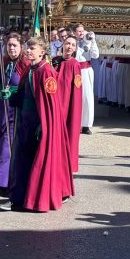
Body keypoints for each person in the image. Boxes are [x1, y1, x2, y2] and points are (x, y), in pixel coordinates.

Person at [9, 37, 72, 212]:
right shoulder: (30, 69)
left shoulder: (47, 72)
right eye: (28, 47)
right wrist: (12, 96)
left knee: (36, 161)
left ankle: (35, 199)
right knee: (22, 160)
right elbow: (24, 95)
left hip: (38, 124)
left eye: (33, 48)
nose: (28, 50)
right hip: (25, 122)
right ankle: (20, 198)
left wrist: (44, 125)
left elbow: (51, 105)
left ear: (42, 52)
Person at [0, 33, 26, 202]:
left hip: (16, 110)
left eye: (14, 45)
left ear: (21, 47)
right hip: (2, 108)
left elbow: (27, 87)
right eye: (9, 45)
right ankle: (6, 179)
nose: (11, 48)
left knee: (7, 142)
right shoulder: (2, 62)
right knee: (4, 140)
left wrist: (14, 91)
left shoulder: (25, 65)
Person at [55, 37, 83, 174]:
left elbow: (77, 90)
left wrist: (74, 111)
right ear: (63, 45)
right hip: (54, 104)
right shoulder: (54, 61)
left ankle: (66, 165)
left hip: (67, 105)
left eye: (73, 45)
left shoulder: (75, 65)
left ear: (75, 48)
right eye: (67, 43)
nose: (69, 47)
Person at [72, 23, 99, 134]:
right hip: (75, 70)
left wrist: (92, 42)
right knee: (75, 96)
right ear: (74, 32)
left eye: (82, 31)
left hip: (86, 70)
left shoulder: (88, 41)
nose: (82, 33)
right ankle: (74, 123)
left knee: (87, 97)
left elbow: (95, 55)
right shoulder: (72, 42)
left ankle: (86, 125)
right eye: (79, 31)